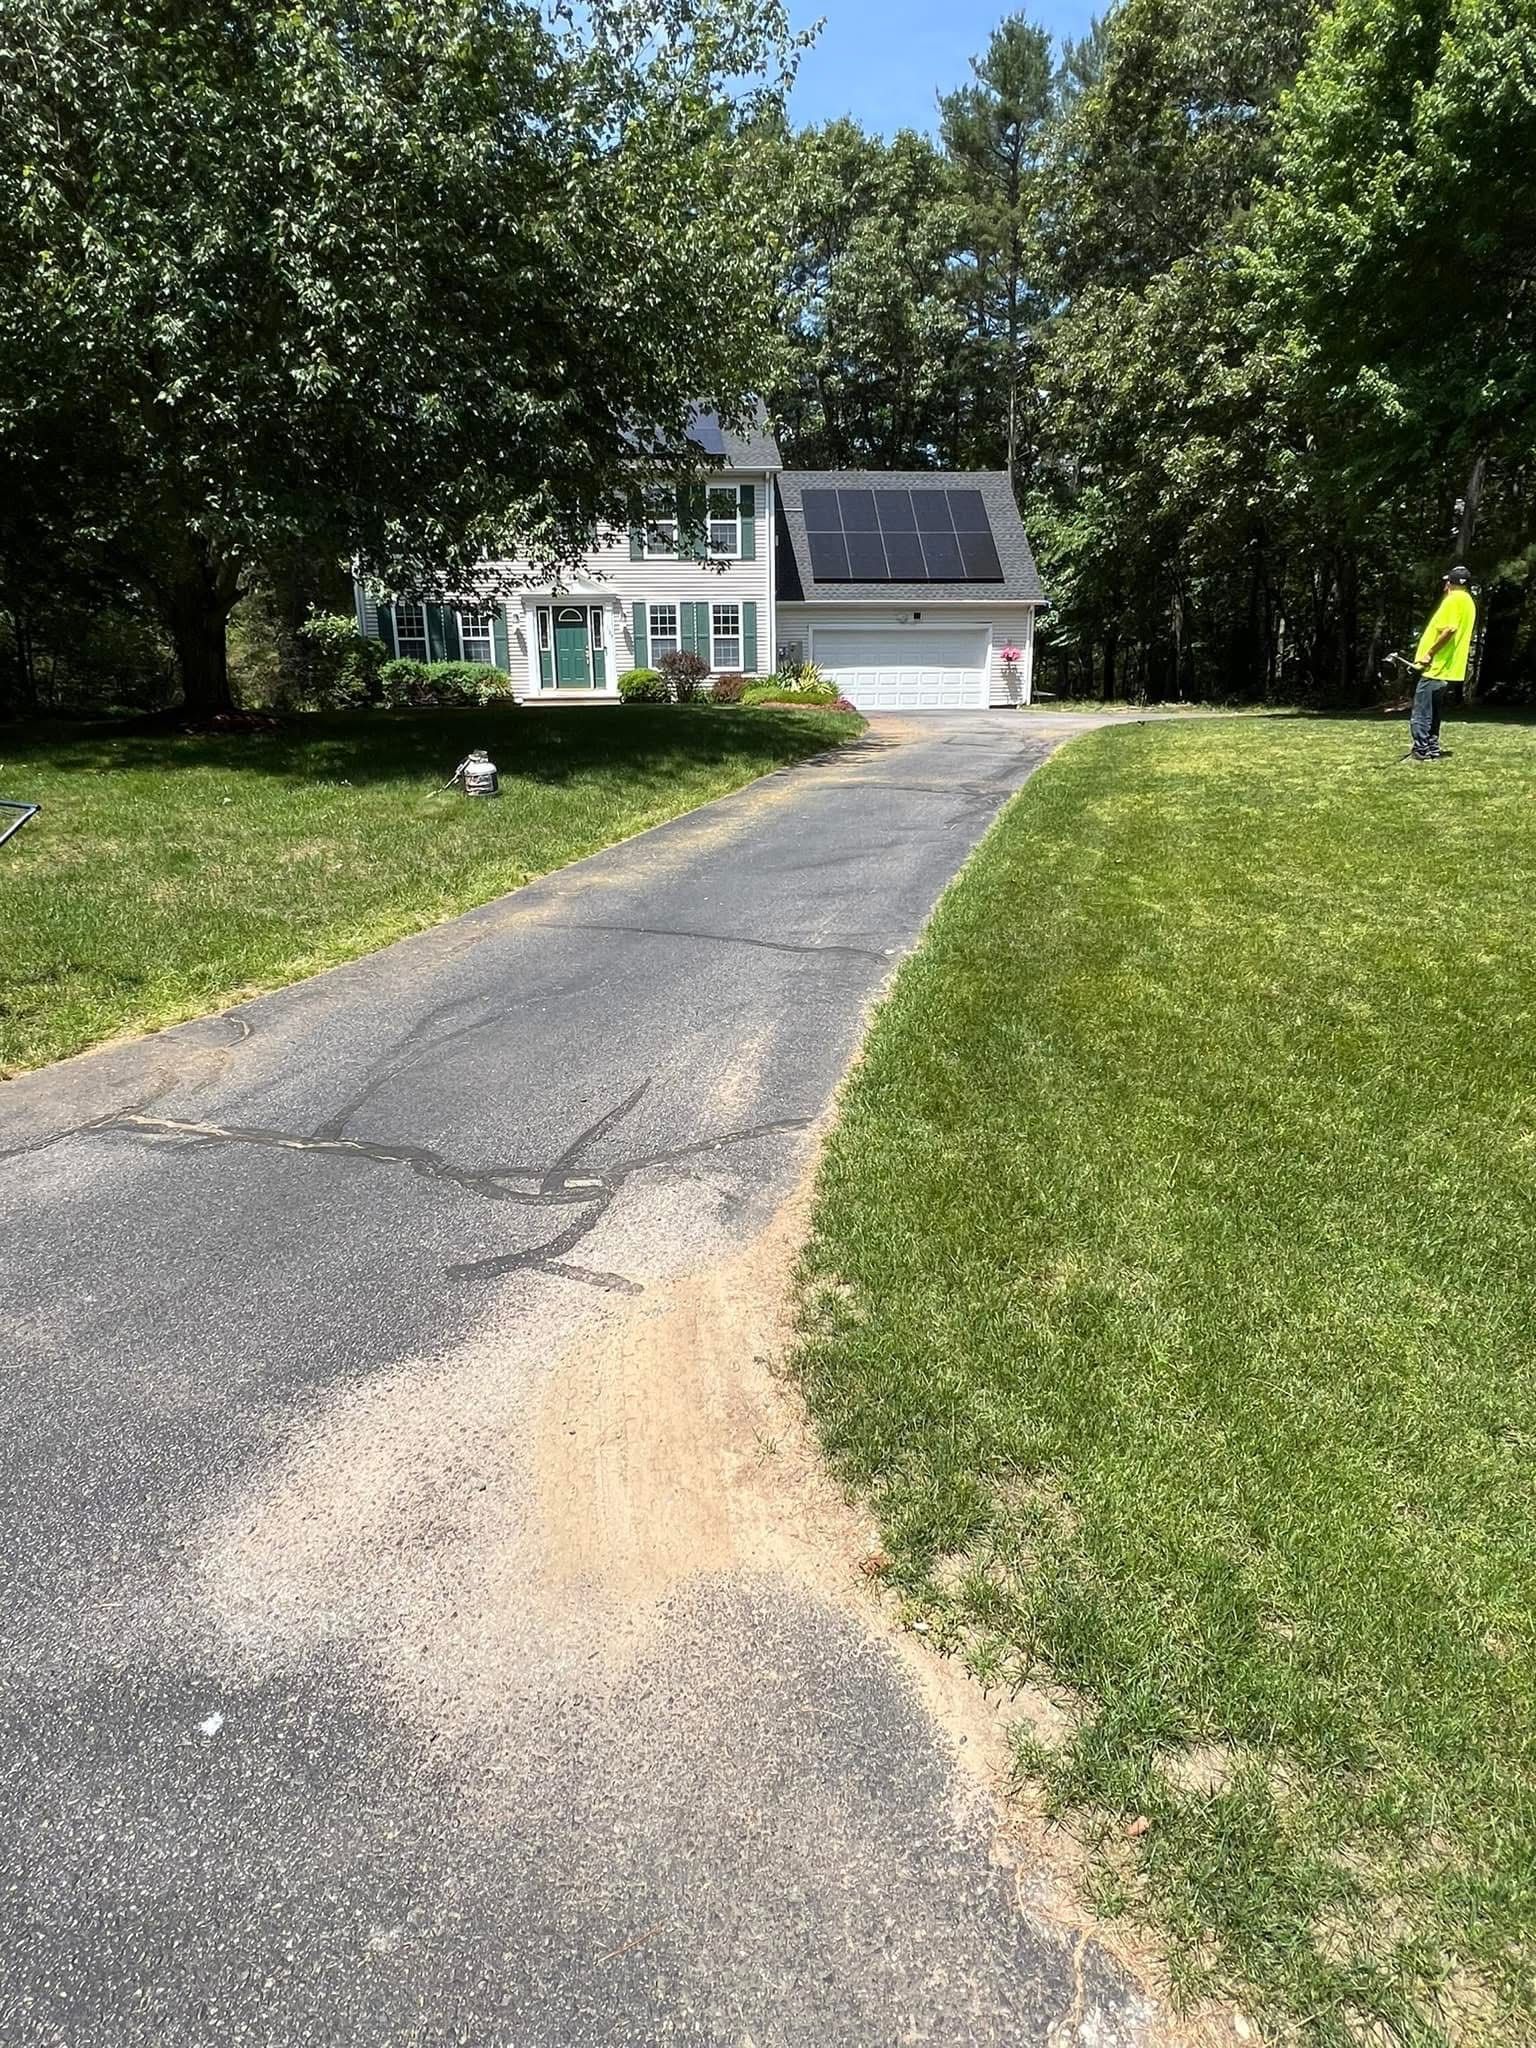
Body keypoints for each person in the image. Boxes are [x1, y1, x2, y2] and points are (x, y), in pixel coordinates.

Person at [1404, 565, 1477, 761]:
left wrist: (1429, 653)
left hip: (1436, 667)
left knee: (1421, 712)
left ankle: (1421, 750)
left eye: (1447, 581)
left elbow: (1449, 629)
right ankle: (1432, 747)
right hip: (1448, 669)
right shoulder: (1469, 602)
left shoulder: (1453, 600)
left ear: (1450, 583)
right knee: (1434, 712)